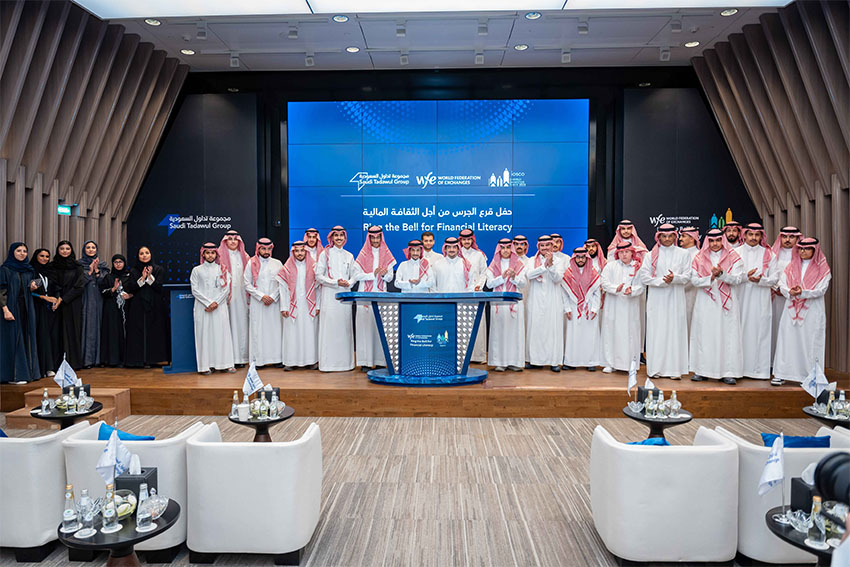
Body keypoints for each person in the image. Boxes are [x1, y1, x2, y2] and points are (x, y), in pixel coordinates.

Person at [688, 229, 744, 384]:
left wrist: (722, 275)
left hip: (727, 303)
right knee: (705, 335)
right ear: (707, 241)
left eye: (718, 240)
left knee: (728, 335)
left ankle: (728, 372)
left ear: (723, 241)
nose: (714, 244)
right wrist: (711, 277)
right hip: (706, 301)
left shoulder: (734, 258)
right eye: (711, 241)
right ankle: (702, 370)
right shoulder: (698, 258)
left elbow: (738, 279)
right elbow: (694, 281)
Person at [773, 238, 831, 384]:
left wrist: (802, 292)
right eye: (801, 249)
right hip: (791, 309)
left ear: (814, 250)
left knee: (810, 342)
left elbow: (821, 289)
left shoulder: (822, 268)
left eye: (807, 249)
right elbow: (781, 284)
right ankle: (781, 373)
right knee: (787, 340)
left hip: (812, 311)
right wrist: (790, 291)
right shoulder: (791, 267)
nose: (803, 252)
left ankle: (809, 376)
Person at [639, 224, 690, 379]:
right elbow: (644, 277)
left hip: (675, 299)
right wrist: (663, 281)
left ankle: (675, 370)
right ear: (658, 237)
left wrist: (675, 279)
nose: (667, 239)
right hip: (656, 299)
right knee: (657, 332)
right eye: (664, 236)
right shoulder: (650, 255)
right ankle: (655, 369)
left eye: (670, 236)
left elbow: (688, 276)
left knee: (675, 331)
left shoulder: (683, 254)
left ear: (675, 237)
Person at [316, 226, 363, 372]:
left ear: (345, 238)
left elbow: (355, 274)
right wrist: (335, 282)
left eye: (341, 236)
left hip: (344, 296)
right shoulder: (325, 254)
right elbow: (318, 275)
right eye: (336, 236)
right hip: (329, 296)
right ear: (331, 237)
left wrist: (349, 283)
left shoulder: (349, 255)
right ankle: (327, 364)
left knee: (344, 328)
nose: (339, 238)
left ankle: (346, 364)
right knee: (329, 328)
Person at [736, 223, 778, 381]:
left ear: (761, 236)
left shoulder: (769, 254)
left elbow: (775, 278)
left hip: (761, 300)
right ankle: (737, 369)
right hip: (740, 299)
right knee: (739, 331)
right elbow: (729, 276)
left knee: (760, 332)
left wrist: (761, 280)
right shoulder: (735, 253)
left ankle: (758, 371)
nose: (753, 238)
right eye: (750, 234)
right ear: (744, 235)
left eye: (757, 235)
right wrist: (745, 277)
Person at [354, 226, 396, 370]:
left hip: (380, 297)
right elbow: (356, 275)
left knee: (380, 330)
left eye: (378, 237)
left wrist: (383, 275)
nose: (376, 240)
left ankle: (379, 361)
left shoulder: (387, 254)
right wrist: (372, 274)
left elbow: (390, 277)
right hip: (365, 296)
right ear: (369, 238)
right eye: (373, 238)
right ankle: (365, 362)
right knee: (365, 328)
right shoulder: (362, 254)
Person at [600, 243, 644, 374]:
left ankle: (631, 364)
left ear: (632, 253)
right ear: (617, 254)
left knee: (630, 334)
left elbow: (641, 286)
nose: (624, 255)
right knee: (611, 332)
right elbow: (604, 282)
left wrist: (632, 291)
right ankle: (610, 363)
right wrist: (615, 289)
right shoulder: (610, 266)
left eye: (626, 252)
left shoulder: (638, 267)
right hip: (613, 305)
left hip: (630, 306)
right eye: (621, 252)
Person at [191, 243, 235, 375]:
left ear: (216, 254)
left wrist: (216, 303)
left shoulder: (223, 269)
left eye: (213, 253)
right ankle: (205, 366)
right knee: (204, 336)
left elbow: (226, 288)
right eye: (207, 253)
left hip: (219, 307)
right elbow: (195, 289)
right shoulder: (196, 270)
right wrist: (208, 303)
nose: (210, 255)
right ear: (203, 254)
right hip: (202, 308)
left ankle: (225, 364)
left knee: (222, 335)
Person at [0, 243, 40, 383]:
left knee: (26, 336)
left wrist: (33, 287)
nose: (22, 253)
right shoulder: (5, 269)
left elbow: (28, 288)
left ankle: (28, 373)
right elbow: (1, 291)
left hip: (27, 308)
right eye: (19, 251)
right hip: (11, 307)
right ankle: (14, 375)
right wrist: (5, 309)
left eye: (24, 251)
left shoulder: (29, 270)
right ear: (12, 252)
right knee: (13, 340)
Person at [276, 241, 319, 370]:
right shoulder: (287, 268)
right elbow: (282, 289)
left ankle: (311, 361)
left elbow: (318, 288)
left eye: (302, 251)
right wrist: (284, 307)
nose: (299, 254)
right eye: (297, 251)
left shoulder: (314, 267)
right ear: (293, 252)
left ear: (306, 252)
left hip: (309, 305)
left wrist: (318, 306)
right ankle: (290, 362)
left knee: (310, 333)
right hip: (291, 305)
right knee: (292, 333)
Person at [485, 238, 526, 372]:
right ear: (499, 250)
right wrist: (502, 277)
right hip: (498, 305)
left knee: (514, 333)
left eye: (508, 248)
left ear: (511, 249)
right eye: (503, 248)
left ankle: (514, 362)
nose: (505, 250)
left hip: (514, 304)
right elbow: (490, 284)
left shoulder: (519, 265)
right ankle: (500, 362)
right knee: (499, 333)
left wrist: (514, 278)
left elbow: (523, 284)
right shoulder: (493, 265)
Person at [124, 246, 169, 368]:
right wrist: (142, 278)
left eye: (147, 253)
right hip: (138, 305)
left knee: (153, 331)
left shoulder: (158, 269)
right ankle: (138, 360)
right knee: (138, 332)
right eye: (141, 253)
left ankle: (153, 359)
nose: (144, 255)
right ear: (138, 256)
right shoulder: (133, 271)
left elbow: (159, 287)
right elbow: (132, 287)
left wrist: (150, 278)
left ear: (151, 255)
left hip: (154, 304)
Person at [525, 236, 565, 372]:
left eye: (548, 245)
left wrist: (551, 265)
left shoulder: (559, 261)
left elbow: (558, 278)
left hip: (553, 299)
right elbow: (529, 275)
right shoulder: (531, 261)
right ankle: (535, 361)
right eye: (542, 246)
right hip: (535, 299)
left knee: (552, 329)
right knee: (536, 329)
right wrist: (544, 266)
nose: (545, 248)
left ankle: (554, 361)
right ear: (538, 247)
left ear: (552, 246)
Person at [243, 238, 283, 367]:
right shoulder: (251, 263)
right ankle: (258, 361)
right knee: (258, 331)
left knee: (275, 330)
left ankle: (276, 359)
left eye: (268, 249)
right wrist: (261, 296)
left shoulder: (277, 263)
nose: (266, 251)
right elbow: (247, 284)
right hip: (258, 303)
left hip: (274, 303)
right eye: (263, 249)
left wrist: (272, 296)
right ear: (258, 249)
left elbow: (282, 283)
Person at [769, 225, 801, 384]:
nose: (788, 240)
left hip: (795, 301)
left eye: (791, 237)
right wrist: (777, 289)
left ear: (797, 239)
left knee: (791, 332)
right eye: (785, 237)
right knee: (774, 330)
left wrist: (788, 291)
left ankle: (792, 367)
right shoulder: (774, 255)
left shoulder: (802, 257)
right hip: (776, 298)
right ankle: (774, 365)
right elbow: (770, 274)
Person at [562, 247, 602, 371]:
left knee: (590, 335)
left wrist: (595, 309)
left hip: (588, 308)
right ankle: (571, 362)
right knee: (573, 335)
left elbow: (596, 293)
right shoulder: (568, 272)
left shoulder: (593, 272)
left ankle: (591, 362)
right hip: (573, 308)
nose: (580, 259)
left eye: (583, 257)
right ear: (574, 258)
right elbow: (564, 293)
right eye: (578, 257)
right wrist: (567, 308)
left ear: (586, 258)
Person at [48, 240, 85, 369]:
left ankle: (73, 363)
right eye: (62, 248)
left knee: (72, 330)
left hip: (72, 302)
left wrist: (64, 298)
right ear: (58, 250)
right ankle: (56, 363)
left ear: (71, 251)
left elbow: (80, 286)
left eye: (67, 249)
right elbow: (52, 283)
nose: (65, 251)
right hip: (55, 302)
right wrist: (58, 298)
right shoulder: (52, 266)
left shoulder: (77, 266)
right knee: (56, 332)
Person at [218, 230, 249, 366]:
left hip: (242, 297)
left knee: (241, 326)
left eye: (235, 239)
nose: (232, 242)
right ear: (225, 241)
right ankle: (227, 359)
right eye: (229, 239)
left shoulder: (245, 257)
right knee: (227, 326)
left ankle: (241, 358)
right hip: (225, 298)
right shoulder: (218, 256)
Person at [77, 240, 108, 368]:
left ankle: (99, 359)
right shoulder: (78, 265)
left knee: (99, 325)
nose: (90, 250)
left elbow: (105, 283)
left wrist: (96, 272)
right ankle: (87, 359)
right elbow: (78, 283)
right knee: (87, 325)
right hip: (85, 298)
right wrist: (89, 272)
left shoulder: (102, 265)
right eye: (88, 247)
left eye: (93, 247)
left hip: (99, 299)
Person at [459, 228, 488, 362]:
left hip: (476, 293)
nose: (466, 242)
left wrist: (479, 286)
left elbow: (484, 273)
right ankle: (463, 356)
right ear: (461, 240)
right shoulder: (456, 255)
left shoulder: (479, 255)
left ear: (472, 240)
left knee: (477, 325)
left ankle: (478, 356)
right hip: (460, 294)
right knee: (462, 326)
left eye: (468, 239)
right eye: (464, 239)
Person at [99, 254, 131, 367]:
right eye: (116, 262)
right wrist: (113, 289)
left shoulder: (129, 276)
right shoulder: (108, 277)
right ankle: (112, 360)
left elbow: (135, 290)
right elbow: (102, 292)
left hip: (126, 309)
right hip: (111, 309)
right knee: (112, 333)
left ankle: (125, 359)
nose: (118, 264)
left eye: (120, 262)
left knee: (125, 332)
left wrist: (130, 295)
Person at [29, 248, 58, 377]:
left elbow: (54, 288)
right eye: (42, 256)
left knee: (48, 337)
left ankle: (48, 366)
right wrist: (43, 297)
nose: (45, 259)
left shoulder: (49, 272)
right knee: (39, 336)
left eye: (47, 256)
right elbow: (27, 291)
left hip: (48, 308)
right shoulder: (31, 271)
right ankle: (39, 368)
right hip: (35, 306)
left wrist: (55, 300)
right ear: (36, 256)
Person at [678, 226, 700, 335]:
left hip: (691, 296)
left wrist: (675, 286)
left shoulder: (698, 255)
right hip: (676, 296)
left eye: (683, 236)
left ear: (692, 238)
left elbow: (692, 279)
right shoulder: (679, 254)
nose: (680, 239)